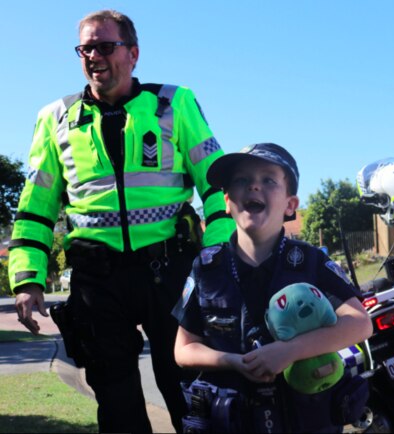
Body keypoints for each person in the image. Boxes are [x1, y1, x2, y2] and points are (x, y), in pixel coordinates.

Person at [8, 10, 235, 433]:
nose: (94, 55)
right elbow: (36, 204)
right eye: (85, 48)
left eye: (105, 46)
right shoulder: (54, 118)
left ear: (133, 54)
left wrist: (218, 253)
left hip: (170, 272)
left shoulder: (174, 103)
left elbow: (218, 184)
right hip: (97, 279)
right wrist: (27, 277)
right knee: (116, 403)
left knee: (192, 393)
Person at [173, 143, 373, 432]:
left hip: (303, 419)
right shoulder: (206, 268)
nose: (254, 186)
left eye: (268, 180)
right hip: (234, 420)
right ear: (227, 201)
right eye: (242, 180)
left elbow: (360, 324)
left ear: (290, 205)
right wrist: (235, 361)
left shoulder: (311, 262)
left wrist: (289, 351)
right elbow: (184, 349)